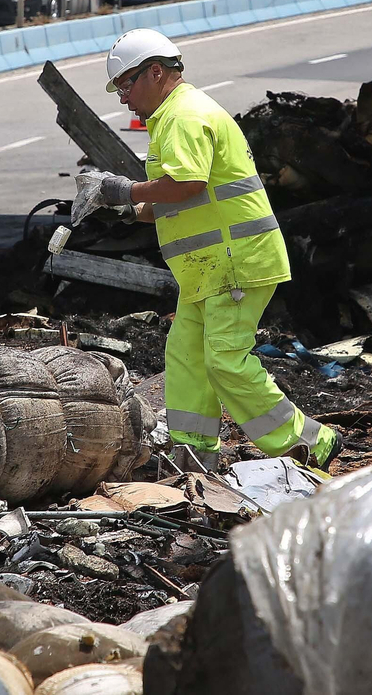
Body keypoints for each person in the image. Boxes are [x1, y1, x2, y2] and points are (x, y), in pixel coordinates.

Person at [72, 28, 341, 472]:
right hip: (209, 269)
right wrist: (122, 211)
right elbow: (186, 201)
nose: (122, 98)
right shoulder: (175, 116)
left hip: (233, 262)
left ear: (154, 72)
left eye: (124, 84)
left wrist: (122, 189)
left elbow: (186, 183)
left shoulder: (183, 115)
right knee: (188, 356)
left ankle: (311, 442)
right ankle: (193, 453)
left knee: (225, 360)